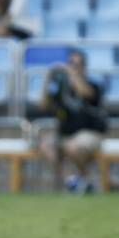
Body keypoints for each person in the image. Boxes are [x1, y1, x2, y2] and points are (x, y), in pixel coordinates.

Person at [40, 49, 108, 194]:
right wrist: (47, 80)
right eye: (70, 64)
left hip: (91, 133)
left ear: (84, 67)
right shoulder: (61, 88)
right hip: (66, 134)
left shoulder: (94, 85)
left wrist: (72, 74)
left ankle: (86, 179)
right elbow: (44, 105)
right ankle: (72, 182)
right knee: (47, 144)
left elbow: (86, 93)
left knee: (73, 146)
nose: (73, 67)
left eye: (77, 65)